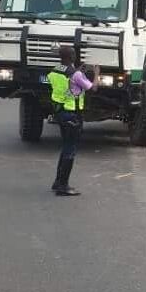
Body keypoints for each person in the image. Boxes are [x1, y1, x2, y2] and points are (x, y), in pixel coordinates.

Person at [48, 46, 99, 196]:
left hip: (60, 112)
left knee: (65, 148)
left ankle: (58, 182)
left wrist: (77, 70)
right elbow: (93, 88)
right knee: (70, 150)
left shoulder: (55, 70)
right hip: (72, 114)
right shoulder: (76, 74)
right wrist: (96, 74)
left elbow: (67, 79)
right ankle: (63, 186)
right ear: (72, 56)